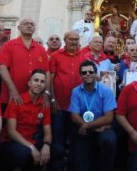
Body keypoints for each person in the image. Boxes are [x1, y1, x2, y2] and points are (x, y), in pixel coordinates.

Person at [0, 69, 62, 171]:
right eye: (36, 80)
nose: (39, 84)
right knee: (23, 153)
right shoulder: (17, 100)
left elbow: (47, 131)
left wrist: (46, 145)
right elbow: (11, 132)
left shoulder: (44, 104)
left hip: (33, 141)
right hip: (13, 142)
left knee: (58, 151)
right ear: (29, 83)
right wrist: (31, 148)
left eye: (42, 82)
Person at [69, 60, 117, 171]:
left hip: (102, 128)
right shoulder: (76, 92)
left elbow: (109, 117)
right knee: (81, 167)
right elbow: (74, 116)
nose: (88, 74)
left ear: (95, 73)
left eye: (90, 71)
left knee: (109, 140)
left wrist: (86, 125)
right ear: (80, 75)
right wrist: (86, 126)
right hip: (85, 129)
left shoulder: (106, 91)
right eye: (84, 73)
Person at [49, 30, 86, 169]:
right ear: (65, 40)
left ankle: (72, 166)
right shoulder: (55, 56)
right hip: (59, 104)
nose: (74, 42)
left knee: (75, 138)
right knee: (58, 138)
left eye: (76, 39)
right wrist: (52, 99)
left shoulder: (83, 56)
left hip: (76, 107)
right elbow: (50, 79)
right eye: (71, 39)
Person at [0, 18, 49, 108]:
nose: (29, 25)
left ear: (34, 29)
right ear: (19, 28)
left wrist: (46, 92)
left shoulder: (41, 49)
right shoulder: (9, 45)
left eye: (32, 24)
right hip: (12, 96)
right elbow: (2, 68)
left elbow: (46, 71)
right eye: (26, 23)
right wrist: (12, 90)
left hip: (35, 98)